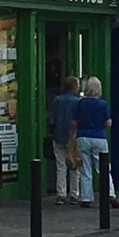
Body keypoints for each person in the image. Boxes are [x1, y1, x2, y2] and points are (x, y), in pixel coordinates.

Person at [72, 76, 119, 209]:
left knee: (85, 169)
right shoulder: (103, 104)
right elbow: (108, 123)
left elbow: (75, 121)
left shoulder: (81, 103)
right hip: (99, 137)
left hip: (83, 137)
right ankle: (110, 194)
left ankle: (86, 198)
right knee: (104, 168)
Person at [49, 76, 81, 205]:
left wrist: (52, 133)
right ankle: (74, 194)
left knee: (60, 166)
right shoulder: (77, 101)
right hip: (73, 137)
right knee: (75, 166)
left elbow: (53, 119)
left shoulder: (57, 100)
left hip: (59, 135)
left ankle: (61, 194)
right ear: (74, 87)